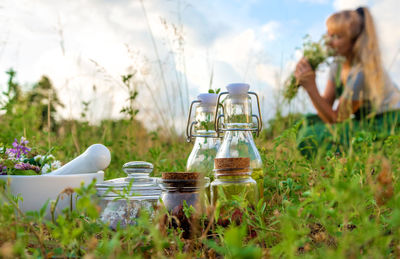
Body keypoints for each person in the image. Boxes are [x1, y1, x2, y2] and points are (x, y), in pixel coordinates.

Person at [294, 6, 400, 157]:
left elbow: (336, 118)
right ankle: (339, 152)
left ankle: (347, 155)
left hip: (387, 122)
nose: (329, 42)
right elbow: (327, 109)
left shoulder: (362, 71)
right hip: (363, 122)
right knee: (306, 122)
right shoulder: (337, 65)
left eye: (337, 37)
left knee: (314, 135)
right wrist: (308, 79)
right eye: (328, 35)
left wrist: (311, 87)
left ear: (355, 41)